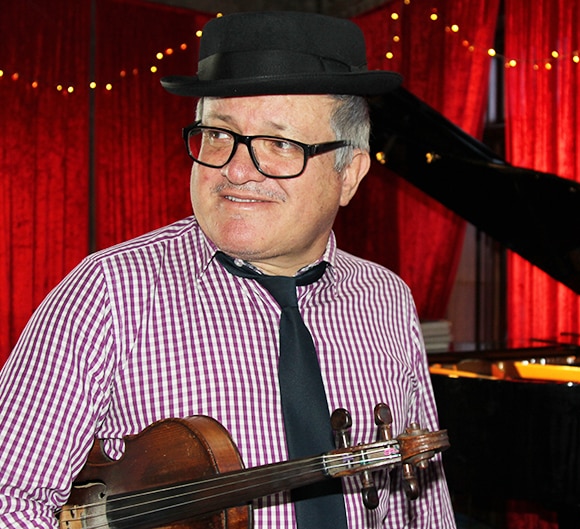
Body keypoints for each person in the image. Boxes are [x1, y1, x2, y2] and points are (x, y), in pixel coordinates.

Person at [0, 11, 456, 528]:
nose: (235, 169)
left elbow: (423, 498)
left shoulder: (386, 299)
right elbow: (10, 501)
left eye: (280, 144)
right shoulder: (108, 293)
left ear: (348, 173)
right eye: (217, 135)